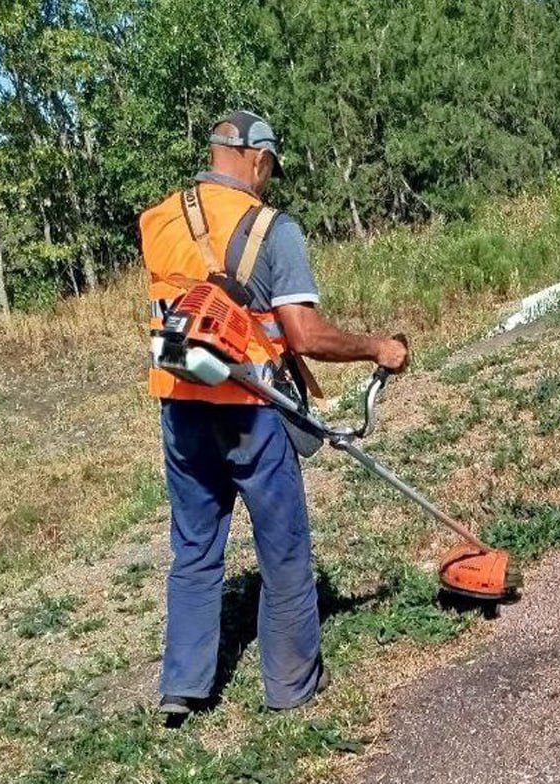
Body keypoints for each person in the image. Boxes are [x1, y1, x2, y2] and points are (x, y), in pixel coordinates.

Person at [138, 109, 408, 717]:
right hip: (251, 410)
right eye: (270, 169)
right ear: (256, 159)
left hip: (180, 402)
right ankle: (290, 686)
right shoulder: (272, 229)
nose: (269, 180)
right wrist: (378, 348)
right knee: (282, 548)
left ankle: (182, 687)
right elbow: (304, 333)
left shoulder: (159, 221)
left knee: (194, 545)